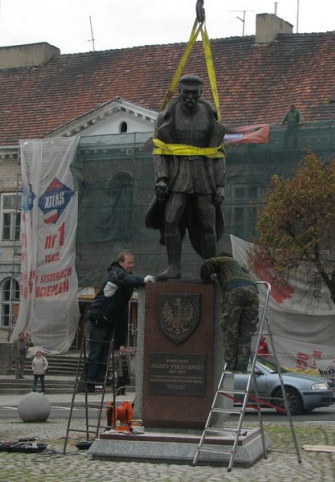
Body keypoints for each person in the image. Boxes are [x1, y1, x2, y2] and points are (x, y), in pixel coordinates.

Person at [145, 74, 226, 279]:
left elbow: (218, 152)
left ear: (201, 93)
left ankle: (211, 268)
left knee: (208, 224)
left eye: (194, 93)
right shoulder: (166, 115)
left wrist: (220, 185)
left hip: (203, 178)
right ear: (179, 91)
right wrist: (162, 178)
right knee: (171, 219)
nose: (189, 97)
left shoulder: (210, 114)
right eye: (186, 93)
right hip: (177, 177)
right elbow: (159, 151)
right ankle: (174, 267)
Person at [86, 251, 155, 392]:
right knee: (96, 352)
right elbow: (128, 279)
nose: (131, 265)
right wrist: (143, 280)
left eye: (132, 263)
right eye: (129, 262)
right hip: (99, 317)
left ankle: (98, 383)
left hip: (110, 320)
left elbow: (124, 307)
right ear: (121, 263)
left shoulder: (127, 278)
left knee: (104, 353)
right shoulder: (116, 273)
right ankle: (90, 383)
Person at [200, 252, 259, 372]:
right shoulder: (240, 268)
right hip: (253, 293)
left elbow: (207, 264)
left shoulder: (223, 260)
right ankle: (242, 368)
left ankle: (231, 368)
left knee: (230, 332)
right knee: (245, 334)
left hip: (235, 291)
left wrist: (205, 279)